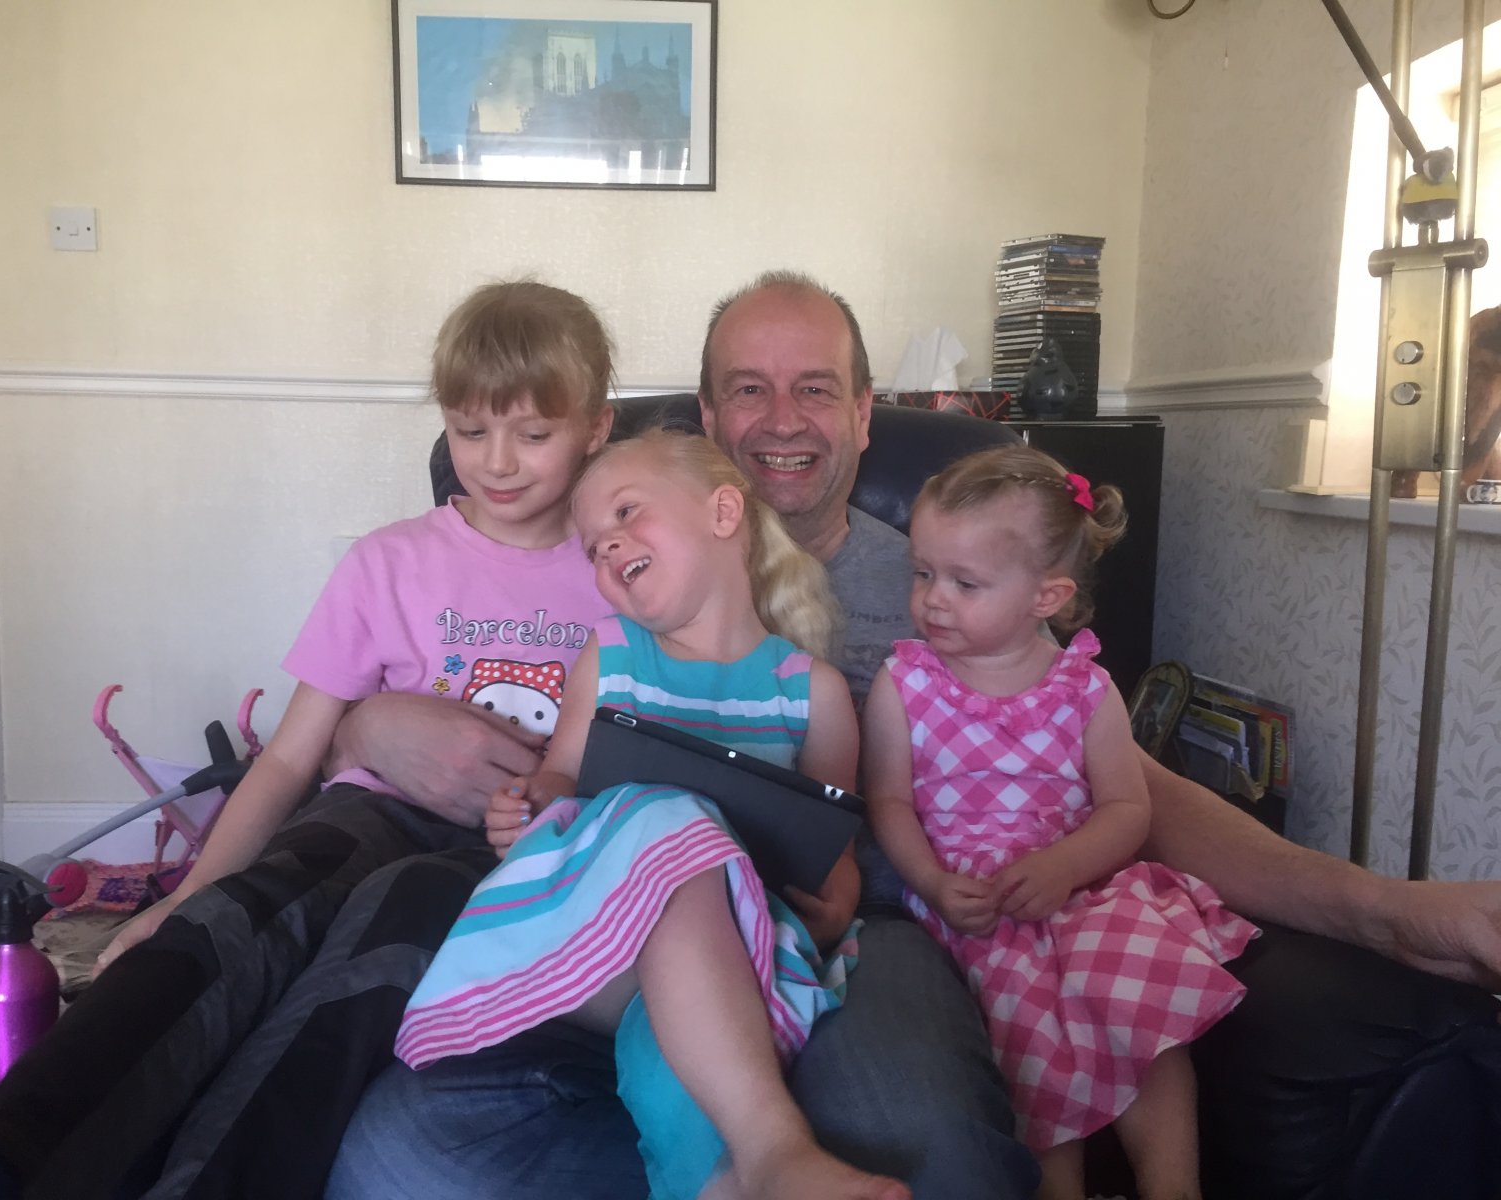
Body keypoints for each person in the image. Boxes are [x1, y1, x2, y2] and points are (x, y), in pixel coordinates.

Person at [328, 269, 1501, 1200]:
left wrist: (1379, 908)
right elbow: (464, 692)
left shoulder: (948, 581)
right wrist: (370, 724)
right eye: (746, 390)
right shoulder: (606, 561)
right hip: (619, 925)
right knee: (402, 1161)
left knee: (926, 1151)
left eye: (814, 388)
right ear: (706, 418)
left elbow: (1115, 775)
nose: (780, 420)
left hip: (864, 935)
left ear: (862, 409)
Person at [0, 279, 617, 1200]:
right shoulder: (388, 561)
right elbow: (287, 757)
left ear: (597, 427)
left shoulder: (623, 573)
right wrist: (191, 892)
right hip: (370, 817)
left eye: (534, 433)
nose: (498, 462)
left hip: (514, 853)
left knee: (386, 937)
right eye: (471, 431)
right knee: (242, 918)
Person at [395, 429, 905, 1200]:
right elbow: (560, 777)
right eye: (594, 546)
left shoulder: (813, 691)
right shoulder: (611, 655)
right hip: (598, 937)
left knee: (672, 1052)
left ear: (724, 513)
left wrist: (834, 899)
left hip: (732, 950)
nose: (608, 547)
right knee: (670, 815)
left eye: (628, 513)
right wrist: (526, 804)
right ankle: (776, 1146)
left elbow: (830, 845)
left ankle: (727, 1183)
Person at [863, 445, 1258, 1200]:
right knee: (1022, 1016)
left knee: (1138, 988)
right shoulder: (904, 682)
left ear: (1047, 596)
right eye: (922, 573)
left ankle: (1174, 1185)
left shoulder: (1086, 688)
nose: (934, 599)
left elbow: (1127, 808)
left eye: (964, 582)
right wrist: (935, 884)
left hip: (1077, 887)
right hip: (974, 901)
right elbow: (889, 802)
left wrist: (1062, 868)